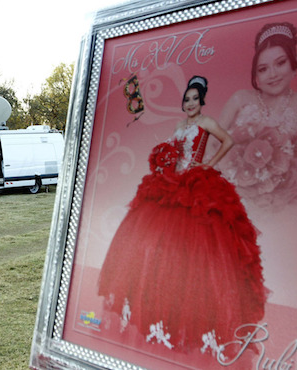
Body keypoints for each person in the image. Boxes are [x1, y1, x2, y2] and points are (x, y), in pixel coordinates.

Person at [97, 76, 267, 353]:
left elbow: (229, 140)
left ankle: (196, 318)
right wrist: (163, 165)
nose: (190, 103)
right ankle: (157, 309)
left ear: (202, 101)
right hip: (172, 184)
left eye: (195, 99)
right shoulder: (179, 126)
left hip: (196, 185)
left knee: (199, 246)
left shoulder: (206, 123)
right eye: (186, 99)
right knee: (158, 244)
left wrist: (207, 165)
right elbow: (168, 154)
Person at [217, 22, 297, 209]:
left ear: (294, 62)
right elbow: (213, 144)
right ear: (256, 75)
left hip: (280, 197)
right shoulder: (240, 99)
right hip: (231, 191)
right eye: (263, 69)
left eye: (280, 63)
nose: (272, 74)